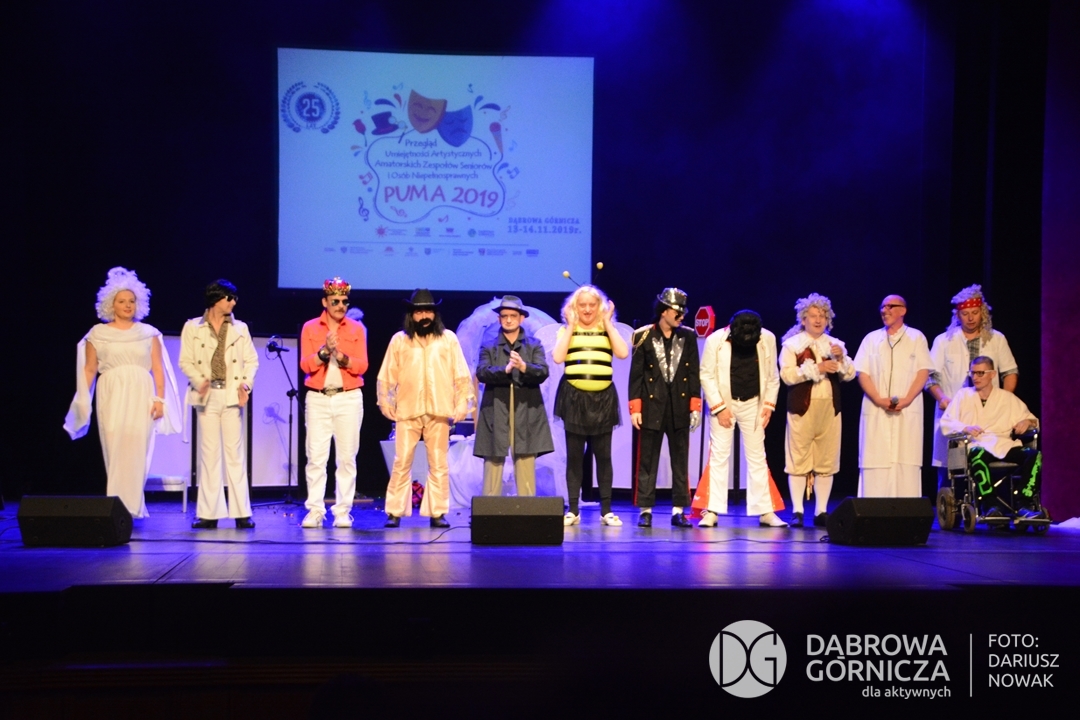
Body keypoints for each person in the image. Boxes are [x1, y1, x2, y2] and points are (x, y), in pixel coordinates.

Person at [64, 267, 181, 518]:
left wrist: (160, 399)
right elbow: (89, 369)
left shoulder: (148, 333)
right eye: (122, 301)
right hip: (111, 393)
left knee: (136, 448)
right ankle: (117, 508)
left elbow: (158, 369)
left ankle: (131, 507)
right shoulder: (98, 333)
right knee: (115, 446)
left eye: (131, 301)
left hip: (141, 393)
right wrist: (82, 398)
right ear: (111, 304)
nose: (127, 305)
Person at [378, 289, 473, 528]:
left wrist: (462, 403)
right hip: (408, 409)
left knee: (439, 463)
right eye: (419, 312)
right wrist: (386, 401)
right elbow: (387, 375)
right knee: (402, 461)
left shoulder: (448, 339)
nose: (424, 316)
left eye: (428, 311)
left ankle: (437, 512)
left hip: (439, 409)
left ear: (435, 314)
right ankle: (395, 511)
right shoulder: (400, 340)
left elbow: (461, 375)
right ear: (412, 315)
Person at [179, 279, 259, 529]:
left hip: (231, 395)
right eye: (229, 298)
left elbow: (252, 361)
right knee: (209, 454)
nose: (233, 302)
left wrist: (245, 385)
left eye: (234, 298)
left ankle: (242, 513)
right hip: (207, 395)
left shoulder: (240, 328)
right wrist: (198, 381)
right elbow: (185, 361)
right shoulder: (193, 327)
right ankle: (209, 514)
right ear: (216, 299)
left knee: (235, 454)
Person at [699, 310, 786, 528]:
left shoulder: (767, 338)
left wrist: (768, 405)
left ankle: (765, 511)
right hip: (725, 402)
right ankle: (712, 511)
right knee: (719, 456)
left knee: (757, 456)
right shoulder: (715, 340)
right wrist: (719, 408)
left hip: (754, 403)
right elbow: (706, 375)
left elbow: (772, 376)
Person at [552, 284, 630, 527]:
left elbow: (623, 353)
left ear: (600, 307)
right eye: (582, 305)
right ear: (574, 307)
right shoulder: (567, 330)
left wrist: (607, 323)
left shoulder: (607, 330)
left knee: (603, 456)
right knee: (575, 457)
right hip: (574, 399)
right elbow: (558, 357)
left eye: (592, 305)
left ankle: (606, 510)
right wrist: (571, 326)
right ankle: (573, 509)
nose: (587, 309)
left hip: (603, 400)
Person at [779, 293, 856, 527]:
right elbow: (787, 375)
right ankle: (798, 510)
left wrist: (841, 359)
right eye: (813, 316)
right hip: (802, 409)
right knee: (798, 458)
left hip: (829, 409)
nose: (818, 320)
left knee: (826, 460)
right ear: (803, 319)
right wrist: (818, 368)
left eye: (822, 316)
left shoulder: (835, 345)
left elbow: (849, 375)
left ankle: (821, 510)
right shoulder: (792, 345)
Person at [926, 285, 1018, 480]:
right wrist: (942, 398)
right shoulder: (943, 341)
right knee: (951, 470)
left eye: (975, 313)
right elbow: (931, 376)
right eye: (965, 313)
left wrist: (1004, 401)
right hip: (954, 410)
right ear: (957, 315)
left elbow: (1010, 372)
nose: (970, 318)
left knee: (990, 461)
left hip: (989, 412)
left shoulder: (997, 339)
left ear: (982, 312)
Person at [299, 277, 369, 528]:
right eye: (336, 301)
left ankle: (342, 511)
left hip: (348, 397)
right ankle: (315, 511)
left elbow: (362, 366)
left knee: (347, 458)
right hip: (318, 398)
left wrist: (340, 355)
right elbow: (305, 365)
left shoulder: (356, 329)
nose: (341, 306)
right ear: (325, 302)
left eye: (344, 302)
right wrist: (324, 351)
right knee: (316, 458)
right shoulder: (310, 328)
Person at [628, 288, 700, 528]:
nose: (681, 316)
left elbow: (694, 373)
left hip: (679, 406)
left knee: (680, 460)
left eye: (683, 312)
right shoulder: (643, 336)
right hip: (651, 406)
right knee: (647, 460)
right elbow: (636, 375)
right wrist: (635, 408)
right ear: (664, 311)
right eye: (677, 312)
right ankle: (645, 510)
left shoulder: (688, 336)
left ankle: (678, 510)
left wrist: (695, 406)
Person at [853, 294, 933, 498]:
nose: (884, 310)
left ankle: (906, 512)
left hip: (908, 409)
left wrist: (907, 399)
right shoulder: (871, 339)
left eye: (890, 306)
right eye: (882, 307)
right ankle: (873, 510)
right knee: (876, 460)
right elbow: (862, 373)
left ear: (903, 311)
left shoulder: (917, 338)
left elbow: (923, 371)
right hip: (876, 409)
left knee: (906, 460)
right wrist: (878, 399)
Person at [474, 295, 554, 496]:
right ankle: (490, 509)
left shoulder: (533, 345)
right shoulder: (489, 345)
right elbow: (482, 372)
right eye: (504, 316)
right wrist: (506, 370)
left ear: (521, 318)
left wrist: (524, 366)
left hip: (526, 409)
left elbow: (543, 371)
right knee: (493, 458)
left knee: (525, 458)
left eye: (513, 316)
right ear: (499, 319)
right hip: (496, 409)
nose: (508, 320)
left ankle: (526, 509)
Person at [940, 356, 1040, 514]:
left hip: (1004, 444)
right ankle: (990, 504)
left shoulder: (1007, 398)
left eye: (980, 373)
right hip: (976, 445)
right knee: (977, 455)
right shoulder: (963, 395)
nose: (975, 377)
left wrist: (1027, 422)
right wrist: (965, 427)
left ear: (992, 374)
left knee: (1034, 455)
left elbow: (1033, 420)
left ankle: (1024, 502)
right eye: (973, 373)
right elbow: (946, 422)